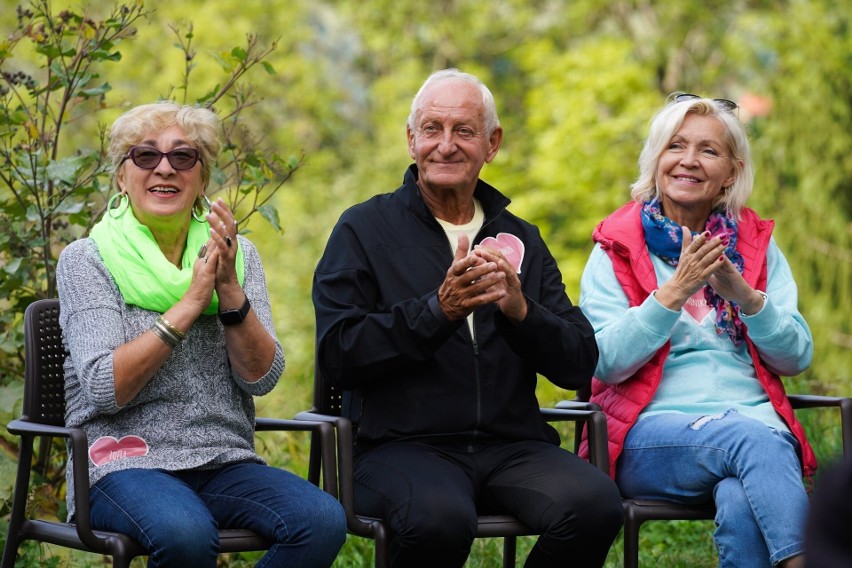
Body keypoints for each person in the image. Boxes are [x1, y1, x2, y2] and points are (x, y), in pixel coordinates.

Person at [312, 68, 623, 568]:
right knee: (439, 518)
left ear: (492, 143)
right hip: (399, 448)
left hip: (511, 446)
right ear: (410, 140)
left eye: (464, 130)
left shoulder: (520, 235)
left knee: (594, 504)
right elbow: (339, 352)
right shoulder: (363, 229)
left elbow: (578, 362)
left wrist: (522, 312)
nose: (446, 145)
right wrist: (439, 311)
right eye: (432, 129)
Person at [56, 101, 346, 567]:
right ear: (121, 177)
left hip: (221, 458)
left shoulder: (236, 253)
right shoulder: (87, 260)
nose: (164, 168)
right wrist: (191, 303)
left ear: (202, 179)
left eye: (183, 157)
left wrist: (228, 287)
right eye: (145, 156)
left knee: (321, 520)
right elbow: (105, 388)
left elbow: (261, 378)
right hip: (121, 462)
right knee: (185, 533)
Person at [578, 93, 814, 568]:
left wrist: (745, 296)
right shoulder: (616, 249)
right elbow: (603, 359)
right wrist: (674, 292)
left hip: (754, 439)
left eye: (708, 150)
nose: (689, 160)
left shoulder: (756, 248)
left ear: (731, 171)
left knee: (742, 498)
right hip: (649, 436)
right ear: (657, 160)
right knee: (752, 439)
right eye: (676, 146)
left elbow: (796, 356)